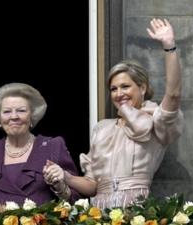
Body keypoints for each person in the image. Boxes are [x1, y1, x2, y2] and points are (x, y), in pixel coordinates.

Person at [63, 18, 184, 208]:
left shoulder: (155, 118)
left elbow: (174, 94)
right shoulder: (102, 129)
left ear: (142, 88)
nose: (119, 94)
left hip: (136, 211)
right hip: (98, 213)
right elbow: (92, 185)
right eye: (113, 89)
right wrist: (66, 177)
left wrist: (169, 47)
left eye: (125, 86)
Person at [0, 83, 81, 206]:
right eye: (7, 111)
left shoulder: (52, 146)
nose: (14, 117)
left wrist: (61, 187)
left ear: (32, 116)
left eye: (21, 111)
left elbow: (77, 201)